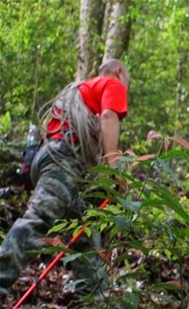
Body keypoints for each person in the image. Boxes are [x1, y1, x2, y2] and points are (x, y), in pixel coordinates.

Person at [0, 59, 130, 301]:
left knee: (86, 238)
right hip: (64, 159)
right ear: (119, 72)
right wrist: (116, 168)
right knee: (38, 220)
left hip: (54, 159)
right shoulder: (112, 84)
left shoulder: (82, 91)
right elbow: (109, 116)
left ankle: (94, 300)